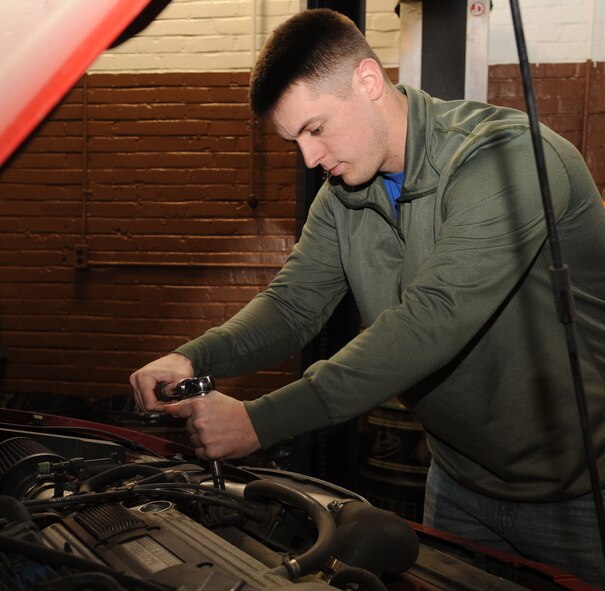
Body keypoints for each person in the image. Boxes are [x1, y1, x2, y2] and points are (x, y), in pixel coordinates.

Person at [130, 8, 605, 586]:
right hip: (458, 481)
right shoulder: (344, 195)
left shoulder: (511, 163)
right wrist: (193, 358)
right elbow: (292, 306)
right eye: (294, 140)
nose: (308, 158)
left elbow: (430, 321)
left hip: (581, 492)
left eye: (315, 128)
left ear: (368, 81)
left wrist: (263, 419)